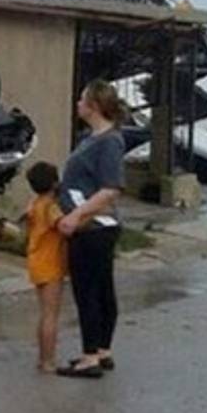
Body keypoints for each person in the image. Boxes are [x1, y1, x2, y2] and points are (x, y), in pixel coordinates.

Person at [55, 80, 126, 379]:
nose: (78, 103)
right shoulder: (91, 138)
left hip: (93, 227)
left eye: (82, 99)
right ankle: (102, 349)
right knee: (100, 288)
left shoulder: (108, 141)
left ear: (94, 106)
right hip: (90, 225)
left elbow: (110, 189)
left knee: (90, 292)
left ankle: (90, 356)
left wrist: (77, 216)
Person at [24, 161, 67, 373]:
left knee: (44, 313)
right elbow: (64, 227)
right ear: (54, 182)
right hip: (51, 263)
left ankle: (42, 358)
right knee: (51, 314)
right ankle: (48, 360)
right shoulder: (51, 207)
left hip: (36, 260)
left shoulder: (34, 204)